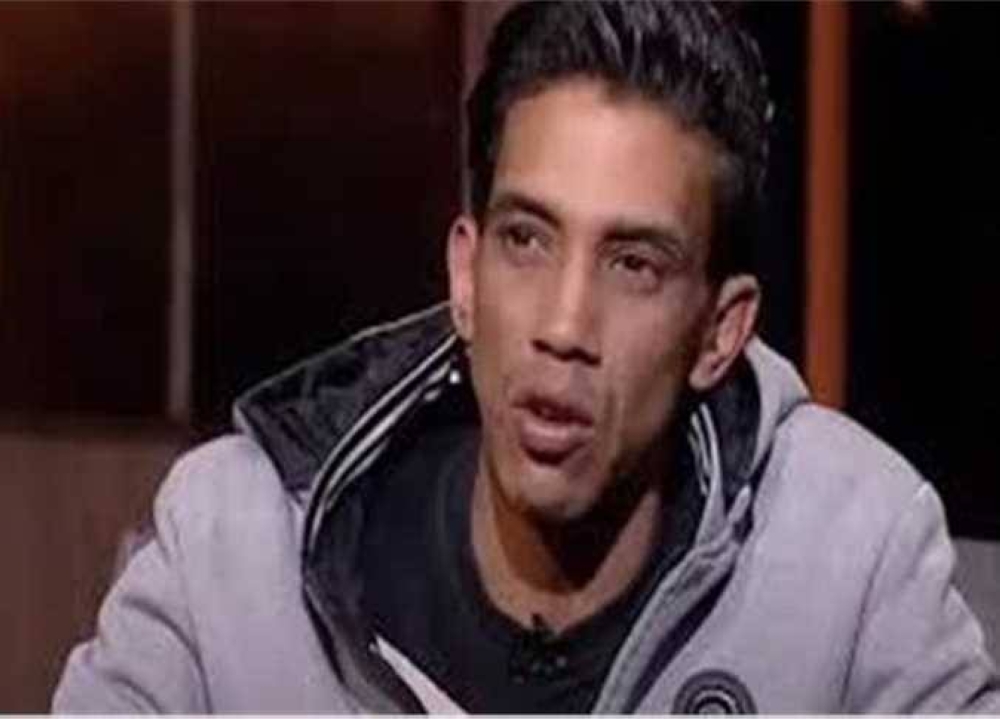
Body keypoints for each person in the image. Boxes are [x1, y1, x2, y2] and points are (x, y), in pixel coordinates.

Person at [53, 1, 999, 713]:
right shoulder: (230, 547)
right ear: (465, 275)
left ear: (720, 332)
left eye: (634, 263)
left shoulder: (855, 563)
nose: (564, 323)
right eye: (527, 240)